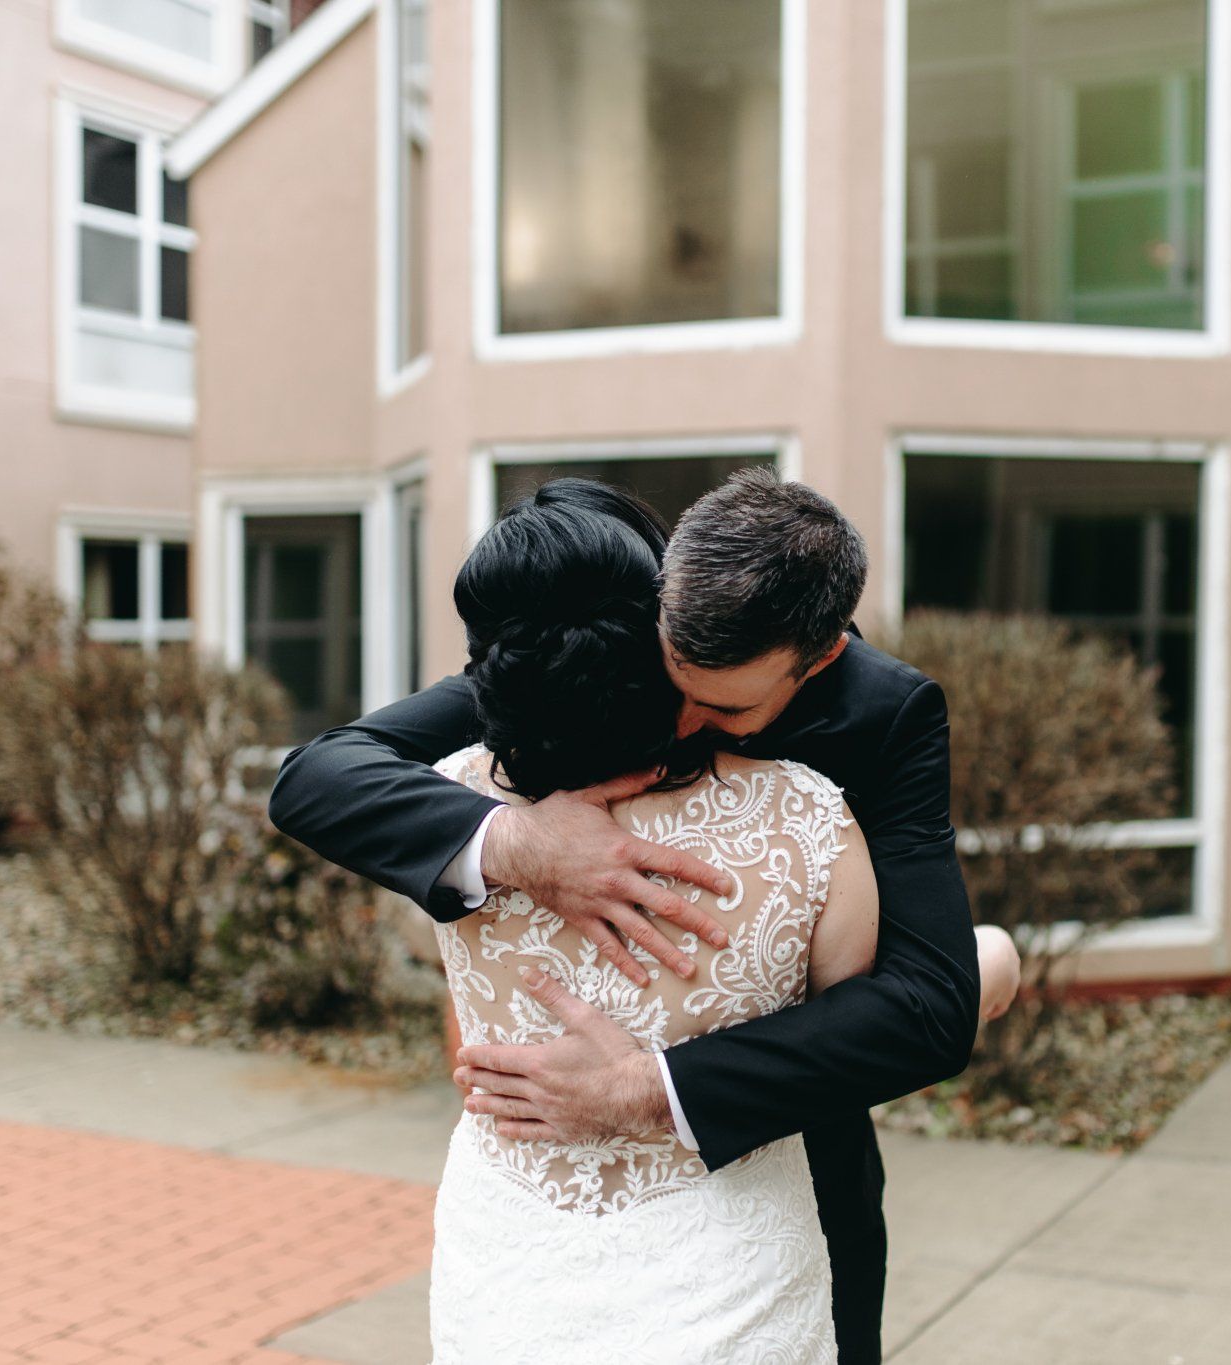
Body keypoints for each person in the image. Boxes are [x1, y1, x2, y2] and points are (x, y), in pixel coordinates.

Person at [267, 469, 981, 1362]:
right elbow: (319, 775)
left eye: (719, 705)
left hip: (779, 1178)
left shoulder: (884, 714)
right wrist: (520, 844)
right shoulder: (621, 632)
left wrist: (651, 1087)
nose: (671, 718)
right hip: (535, 1227)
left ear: (820, 658)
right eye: (666, 674)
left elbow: (930, 1005)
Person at [423, 480, 878, 1360]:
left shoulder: (441, 806)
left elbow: (456, 1001)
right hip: (726, 1269)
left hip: (507, 1257)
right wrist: (992, 966)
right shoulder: (810, 820)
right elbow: (846, 1034)